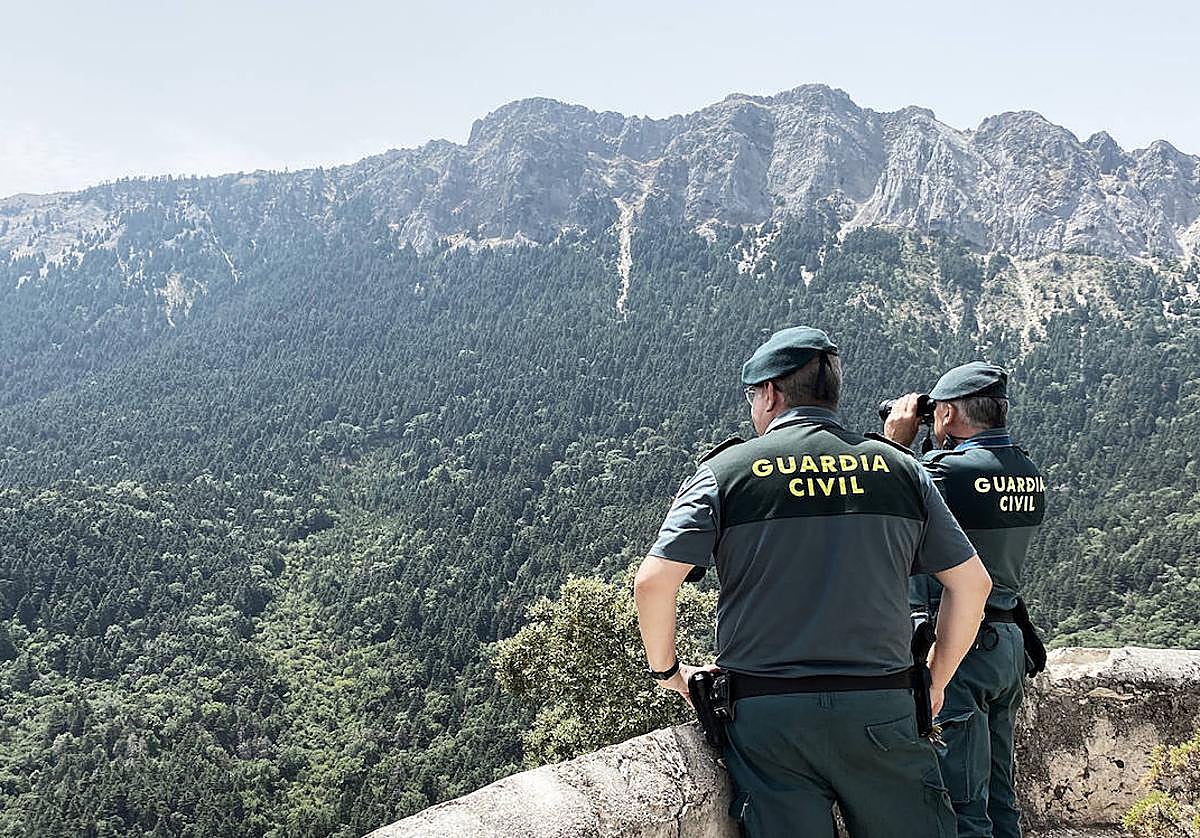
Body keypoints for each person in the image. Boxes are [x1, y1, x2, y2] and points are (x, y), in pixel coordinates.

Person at [633, 326, 993, 837]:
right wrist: (935, 680)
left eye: (753, 395)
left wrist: (668, 673)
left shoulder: (725, 472)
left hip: (767, 714)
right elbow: (972, 585)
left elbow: (653, 583)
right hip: (882, 703)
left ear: (772, 394)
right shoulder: (901, 470)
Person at [884, 361, 1046, 838]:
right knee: (1000, 793)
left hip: (962, 647)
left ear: (949, 414)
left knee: (962, 799)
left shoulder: (946, 472)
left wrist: (896, 439)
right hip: (1009, 643)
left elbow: (883, 497)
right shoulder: (1027, 469)